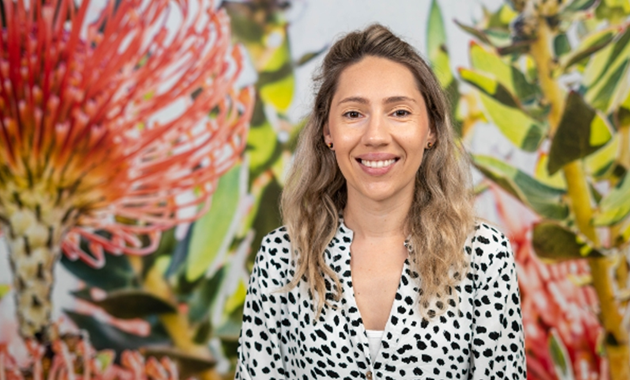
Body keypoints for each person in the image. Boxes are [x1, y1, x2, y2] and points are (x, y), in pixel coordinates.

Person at [235, 24, 526, 380]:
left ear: (431, 129)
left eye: (399, 112)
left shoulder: (483, 255)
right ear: (328, 131)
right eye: (353, 114)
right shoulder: (282, 257)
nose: (375, 136)